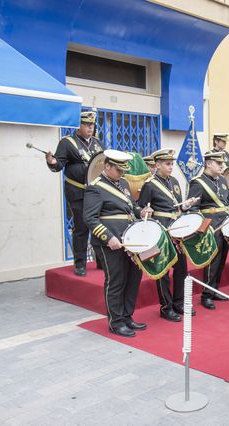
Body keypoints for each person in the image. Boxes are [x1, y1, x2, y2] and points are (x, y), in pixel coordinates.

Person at [83, 149, 153, 337]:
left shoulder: (122, 183)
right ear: (107, 166)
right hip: (111, 242)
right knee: (116, 281)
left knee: (133, 279)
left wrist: (141, 212)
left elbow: (131, 207)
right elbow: (90, 218)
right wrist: (108, 237)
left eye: (123, 170)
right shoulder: (95, 187)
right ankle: (115, 322)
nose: (122, 174)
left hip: (130, 240)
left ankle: (127, 316)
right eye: (118, 170)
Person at [137, 148, 198, 321]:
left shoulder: (175, 182)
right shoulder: (149, 184)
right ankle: (166, 306)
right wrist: (144, 211)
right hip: (161, 231)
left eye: (172, 163)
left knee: (181, 269)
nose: (171, 167)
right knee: (163, 270)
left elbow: (177, 207)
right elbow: (141, 208)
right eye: (167, 164)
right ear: (157, 165)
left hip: (177, 231)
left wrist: (186, 206)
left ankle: (179, 303)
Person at [187, 152, 229, 310]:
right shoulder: (198, 183)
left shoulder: (221, 180)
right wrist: (201, 226)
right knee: (212, 260)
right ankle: (206, 294)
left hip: (225, 223)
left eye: (222, 163)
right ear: (208, 164)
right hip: (212, 225)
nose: (222, 166)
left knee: (221, 260)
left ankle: (214, 289)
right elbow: (194, 208)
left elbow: (228, 201)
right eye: (218, 163)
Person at [46, 110, 104, 276]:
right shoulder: (67, 143)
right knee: (81, 228)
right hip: (77, 191)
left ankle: (100, 260)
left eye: (92, 125)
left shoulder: (97, 144)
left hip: (96, 192)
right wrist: (52, 161)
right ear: (78, 126)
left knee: (99, 226)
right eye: (86, 125)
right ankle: (80, 264)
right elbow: (59, 164)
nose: (90, 128)